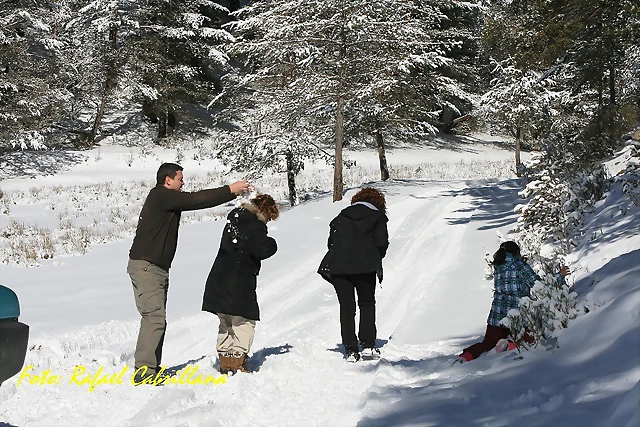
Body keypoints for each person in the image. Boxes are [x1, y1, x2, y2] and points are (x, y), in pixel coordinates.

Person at [128, 162, 251, 383]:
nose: (183, 183)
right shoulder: (161, 195)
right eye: (180, 179)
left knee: (157, 319)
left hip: (154, 268)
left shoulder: (165, 198)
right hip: (147, 267)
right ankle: (144, 373)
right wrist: (230, 190)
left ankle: (151, 369)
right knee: (154, 318)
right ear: (168, 180)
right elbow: (197, 200)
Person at [202, 194, 279, 374]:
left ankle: (225, 361)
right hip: (239, 280)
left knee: (226, 322)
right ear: (266, 212)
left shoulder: (235, 220)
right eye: (269, 218)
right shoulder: (254, 224)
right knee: (243, 322)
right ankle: (237, 363)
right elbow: (261, 248)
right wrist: (272, 244)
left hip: (219, 278)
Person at [457, 241, 570, 363]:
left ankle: (466, 356)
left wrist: (521, 262)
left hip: (497, 314)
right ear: (517, 252)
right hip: (518, 314)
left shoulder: (498, 265)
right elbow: (539, 285)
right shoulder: (520, 265)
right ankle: (510, 345)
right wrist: (560, 275)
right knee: (530, 339)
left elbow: (510, 276)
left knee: (487, 343)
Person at [318, 187, 389, 362]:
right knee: (366, 303)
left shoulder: (340, 217)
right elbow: (382, 243)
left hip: (338, 268)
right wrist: (372, 257)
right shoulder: (377, 217)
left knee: (346, 307)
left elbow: (331, 243)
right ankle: (367, 345)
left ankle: (350, 349)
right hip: (365, 267)